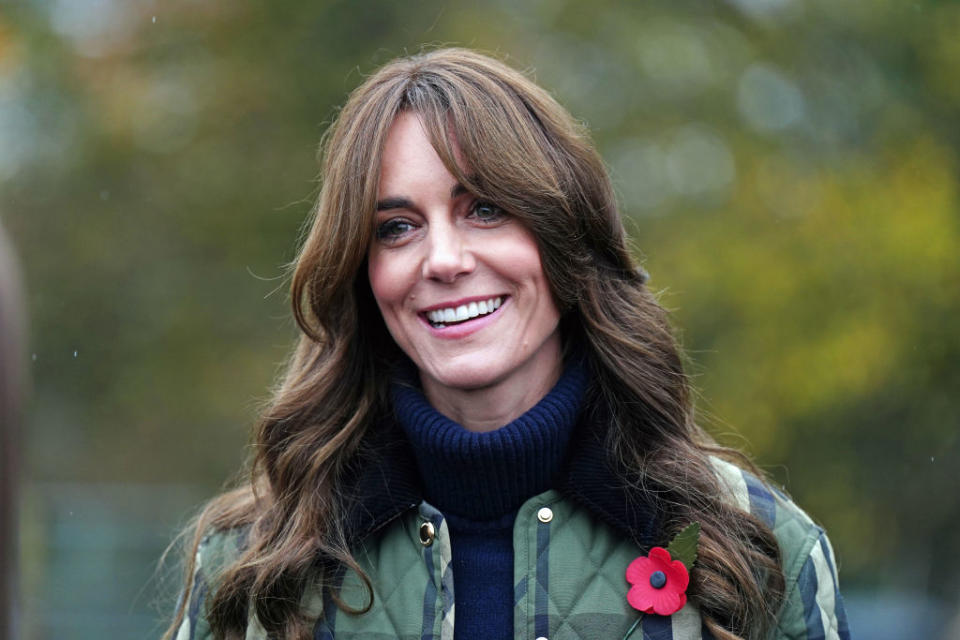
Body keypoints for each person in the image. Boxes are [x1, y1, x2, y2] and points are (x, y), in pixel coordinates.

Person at [165, 48, 850, 640]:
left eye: (485, 209)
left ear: (565, 236)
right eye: (396, 228)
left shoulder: (755, 547)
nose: (443, 259)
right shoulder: (254, 563)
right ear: (360, 271)